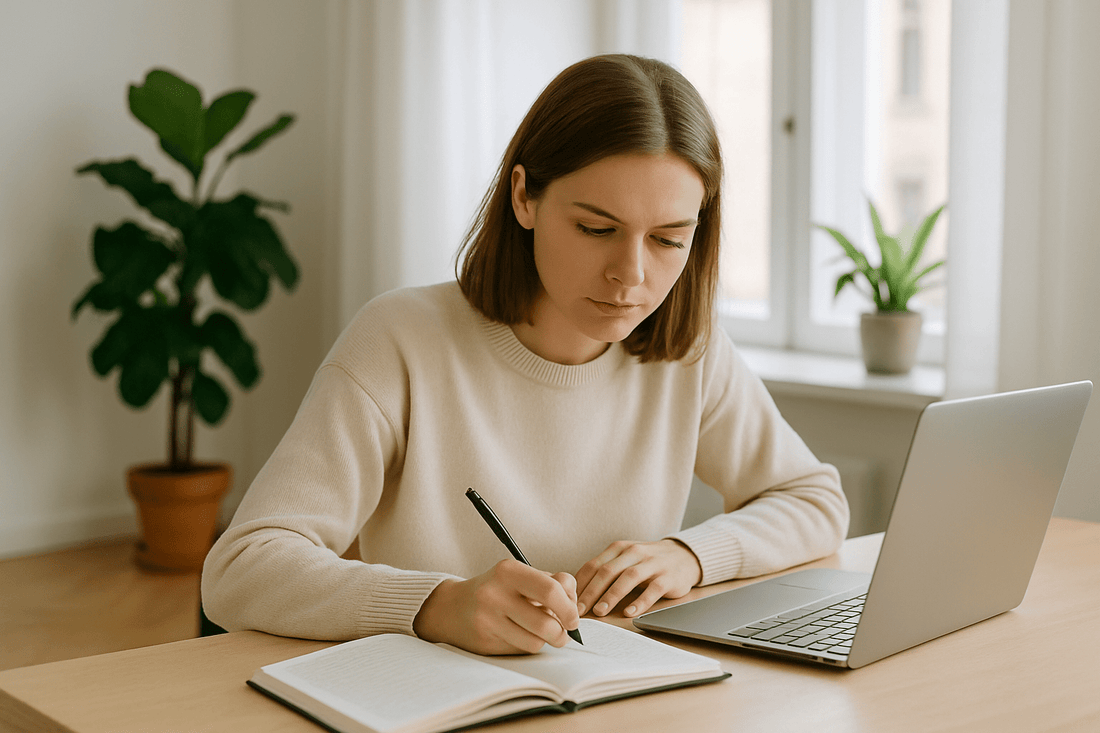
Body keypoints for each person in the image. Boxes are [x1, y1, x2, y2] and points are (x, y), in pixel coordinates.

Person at [201, 54, 849, 655]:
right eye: (597, 228)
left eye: (668, 239)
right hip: (439, 696)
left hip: (616, 692)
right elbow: (241, 569)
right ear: (524, 197)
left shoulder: (691, 349)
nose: (631, 275)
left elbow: (815, 501)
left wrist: (690, 553)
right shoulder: (401, 338)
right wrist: (436, 604)